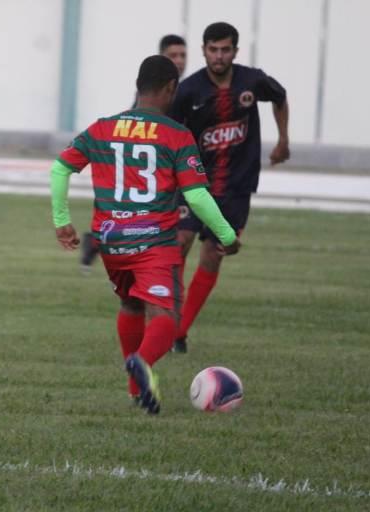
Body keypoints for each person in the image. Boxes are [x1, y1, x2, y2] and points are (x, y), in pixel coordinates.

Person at [50, 55, 240, 414]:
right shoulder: (176, 134)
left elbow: (60, 169)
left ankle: (136, 389)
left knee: (130, 304)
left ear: (138, 87)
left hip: (112, 241)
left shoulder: (102, 128)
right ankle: (142, 364)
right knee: (166, 315)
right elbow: (197, 196)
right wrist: (226, 236)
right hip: (155, 241)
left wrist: (62, 220)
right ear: (171, 88)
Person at [167, 22, 290, 353]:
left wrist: (283, 139)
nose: (219, 56)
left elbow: (280, 97)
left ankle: (180, 331)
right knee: (179, 242)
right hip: (193, 182)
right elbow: (170, 132)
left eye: (225, 50)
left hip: (236, 184)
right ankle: (169, 320)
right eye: (213, 49)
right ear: (204, 50)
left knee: (213, 254)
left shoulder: (251, 81)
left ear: (235, 51)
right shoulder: (189, 90)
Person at [79, 34, 189, 273]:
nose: (179, 61)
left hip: (174, 165)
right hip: (155, 167)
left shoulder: (186, 89)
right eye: (173, 56)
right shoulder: (152, 92)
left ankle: (101, 244)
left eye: (183, 55)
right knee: (155, 227)